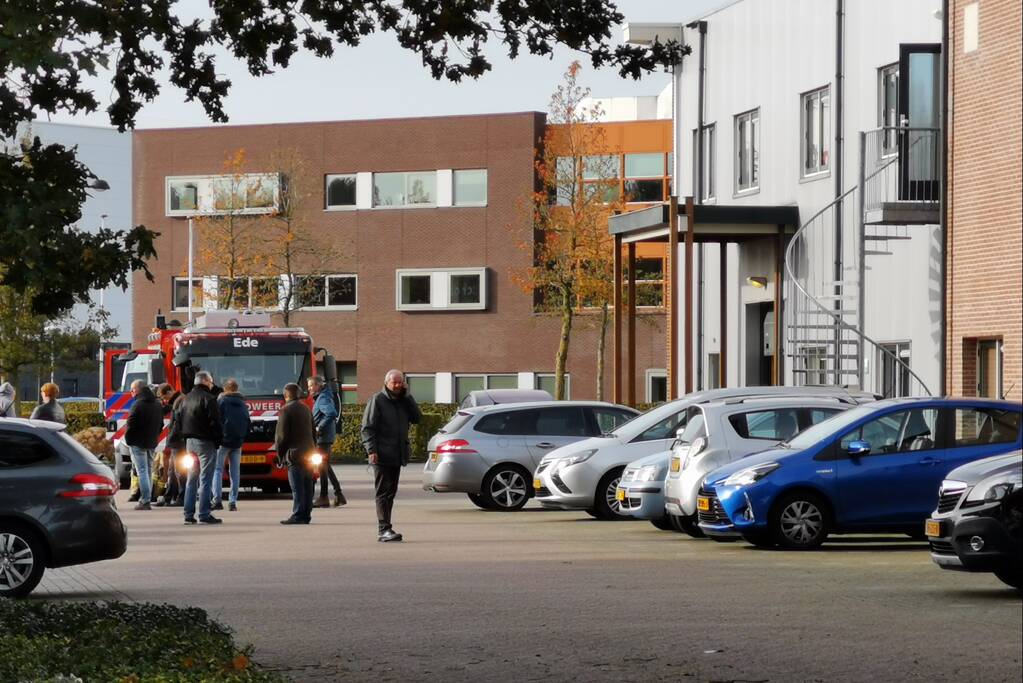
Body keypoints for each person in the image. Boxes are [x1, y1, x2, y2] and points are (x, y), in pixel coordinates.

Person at [361, 369, 421, 542]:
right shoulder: (377, 400)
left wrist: (408, 396)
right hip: (381, 454)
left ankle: (387, 527)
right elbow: (367, 428)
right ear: (386, 382)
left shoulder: (403, 400)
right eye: (394, 382)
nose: (397, 385)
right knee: (382, 492)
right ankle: (383, 529)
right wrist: (371, 450)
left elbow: (417, 418)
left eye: (400, 382)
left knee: (391, 493)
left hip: (397, 453)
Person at [177, 371, 223, 525]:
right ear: (205, 381)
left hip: (190, 442)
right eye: (211, 382)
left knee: (191, 478)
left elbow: (178, 420)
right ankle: (204, 513)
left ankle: (188, 515)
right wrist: (218, 440)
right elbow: (216, 422)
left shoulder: (185, 399)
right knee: (205, 479)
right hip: (205, 443)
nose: (212, 384)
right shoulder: (209, 399)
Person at [275, 382, 317, 525]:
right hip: (309, 452)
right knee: (307, 485)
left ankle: (298, 514)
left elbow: (281, 437)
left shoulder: (285, 410)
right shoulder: (306, 408)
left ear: (286, 395)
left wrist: (280, 456)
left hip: (294, 454)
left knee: (297, 487)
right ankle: (306, 514)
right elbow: (313, 432)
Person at [123, 380, 164, 510]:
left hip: (137, 442)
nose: (131, 392)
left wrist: (128, 439)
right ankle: (148, 498)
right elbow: (161, 424)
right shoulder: (157, 404)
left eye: (132, 389)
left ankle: (145, 500)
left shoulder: (137, 404)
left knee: (142, 471)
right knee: (149, 470)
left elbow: (130, 424)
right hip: (151, 441)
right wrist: (155, 436)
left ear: (138, 390)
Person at [213, 378, 250, 512]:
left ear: (225, 389)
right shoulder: (243, 403)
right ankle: (232, 501)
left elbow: (217, 420)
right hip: (238, 441)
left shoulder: (221, 401)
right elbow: (248, 421)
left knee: (217, 470)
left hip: (223, 441)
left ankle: (217, 500)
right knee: (235, 472)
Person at [309, 375, 345, 508]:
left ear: (318, 385)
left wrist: (319, 427)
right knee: (325, 465)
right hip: (325, 437)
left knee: (322, 466)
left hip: (322, 438)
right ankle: (338, 494)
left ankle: (324, 497)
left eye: (311, 386)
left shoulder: (323, 398)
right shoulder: (323, 396)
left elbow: (331, 413)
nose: (309, 389)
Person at [156, 383, 184, 507]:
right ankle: (168, 496)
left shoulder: (179, 401)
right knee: (172, 471)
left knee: (179, 470)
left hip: (178, 441)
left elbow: (177, 424)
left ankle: (181, 497)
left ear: (169, 392)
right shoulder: (177, 400)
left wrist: (171, 438)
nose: (164, 401)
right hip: (176, 441)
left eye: (164, 398)